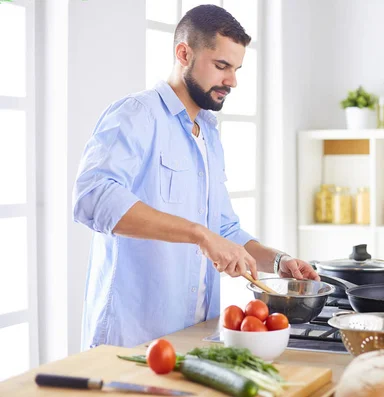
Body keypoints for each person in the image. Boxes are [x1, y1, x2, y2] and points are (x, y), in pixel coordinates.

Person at [72, 4, 319, 349]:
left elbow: (223, 228)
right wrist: (199, 235)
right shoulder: (136, 114)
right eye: (221, 66)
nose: (232, 80)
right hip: (131, 340)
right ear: (184, 53)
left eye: (236, 69)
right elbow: (93, 198)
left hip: (194, 335)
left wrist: (278, 261)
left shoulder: (208, 133)